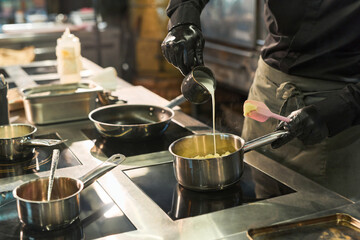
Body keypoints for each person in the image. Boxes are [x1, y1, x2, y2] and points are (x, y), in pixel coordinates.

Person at [161, 0, 360, 183]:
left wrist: (342, 107)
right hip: (268, 91)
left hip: (335, 110)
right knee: (260, 195)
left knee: (318, 211)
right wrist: (182, 20)